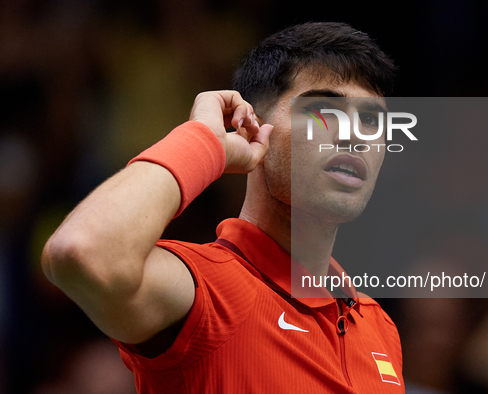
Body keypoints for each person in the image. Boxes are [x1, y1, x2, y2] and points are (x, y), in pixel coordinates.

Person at [42, 22, 404, 393]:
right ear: (251, 125)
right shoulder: (205, 292)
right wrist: (203, 141)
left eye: (372, 120)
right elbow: (81, 251)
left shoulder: (379, 327)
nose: (355, 134)